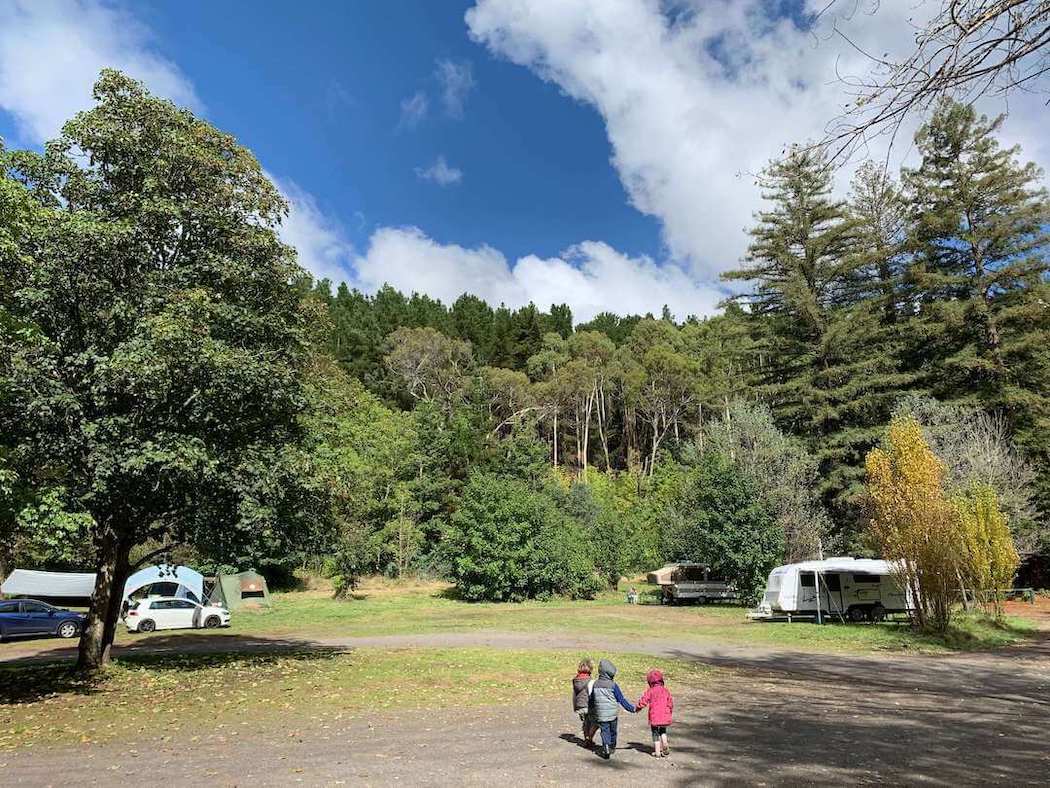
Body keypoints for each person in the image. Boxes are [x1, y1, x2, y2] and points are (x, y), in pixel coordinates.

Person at [589, 658, 636, 759]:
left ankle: (606, 746)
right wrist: (631, 708)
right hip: (613, 714)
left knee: (604, 731)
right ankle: (612, 746)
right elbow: (621, 699)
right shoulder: (613, 685)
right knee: (613, 731)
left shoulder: (595, 684)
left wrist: (591, 709)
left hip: (601, 714)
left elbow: (592, 699)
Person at [635, 668, 674, 757]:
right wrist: (669, 711)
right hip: (665, 715)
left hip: (654, 716)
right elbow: (670, 703)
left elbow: (644, 700)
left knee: (655, 733)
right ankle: (665, 743)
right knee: (663, 731)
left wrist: (638, 707)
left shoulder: (650, 691)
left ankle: (657, 751)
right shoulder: (665, 690)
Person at [571, 658, 598, 747]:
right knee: (595, 722)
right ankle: (589, 738)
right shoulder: (591, 681)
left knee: (586, 722)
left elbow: (575, 695)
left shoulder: (576, 680)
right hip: (588, 705)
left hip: (579, 706)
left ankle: (587, 739)